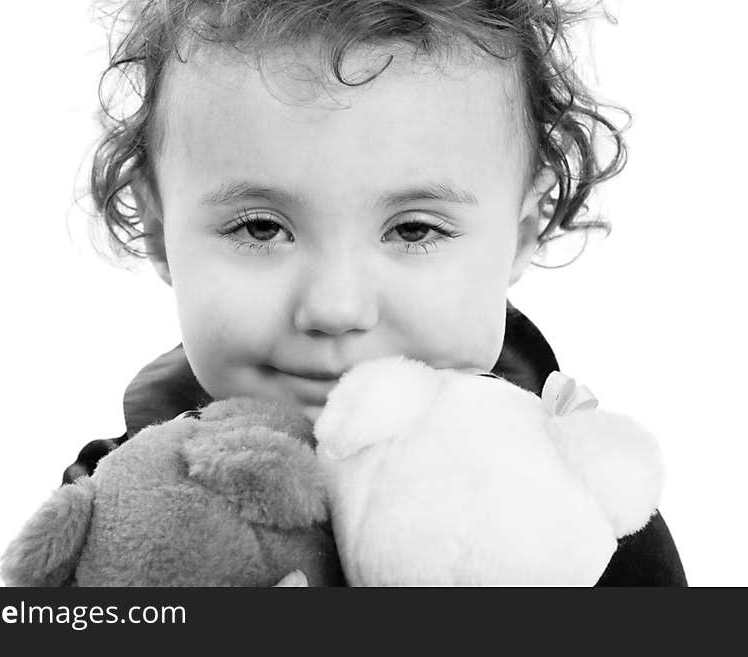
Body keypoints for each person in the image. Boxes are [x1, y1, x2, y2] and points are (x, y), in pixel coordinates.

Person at [64, 0, 687, 586]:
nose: (336, 308)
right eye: (260, 228)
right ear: (158, 232)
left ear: (520, 236)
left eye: (414, 229)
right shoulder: (112, 509)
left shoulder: (583, 519)